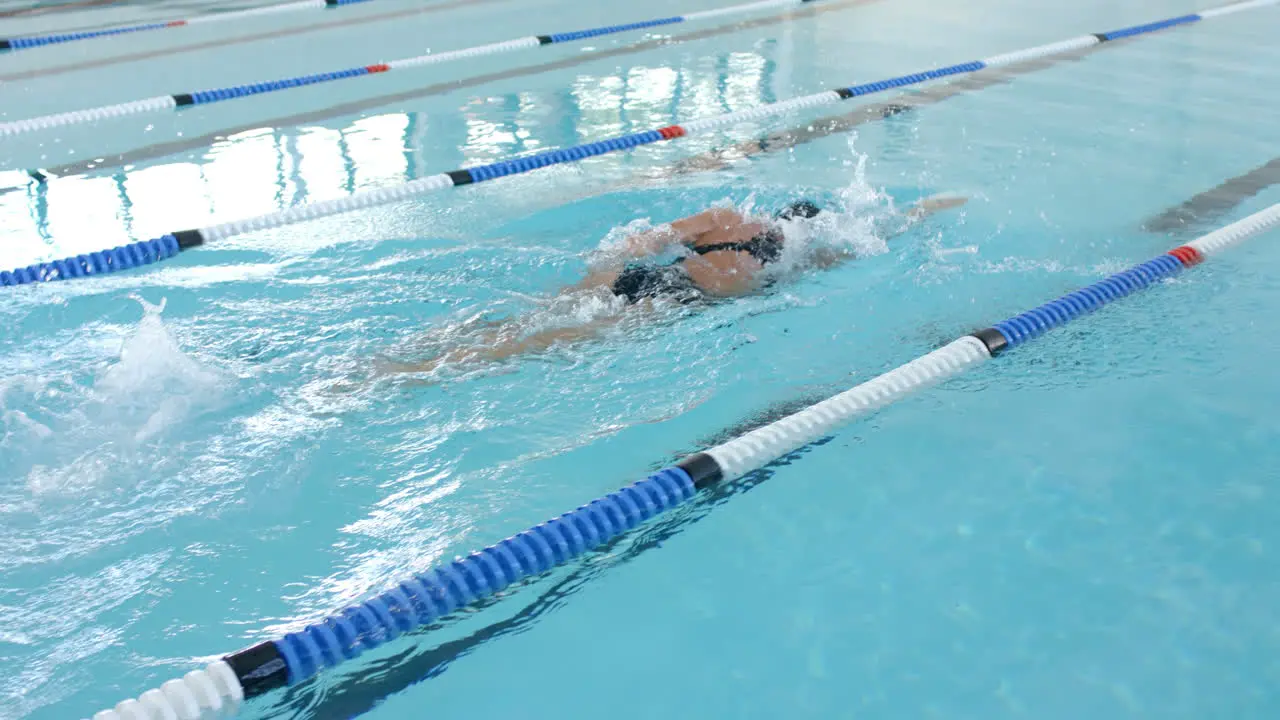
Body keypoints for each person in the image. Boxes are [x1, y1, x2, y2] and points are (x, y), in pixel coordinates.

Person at [382, 194, 966, 374]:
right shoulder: (801, 261)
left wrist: (601, 266)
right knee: (545, 340)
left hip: (652, 279)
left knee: (538, 315)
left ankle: (407, 356)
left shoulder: (727, 217)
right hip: (677, 299)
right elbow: (877, 236)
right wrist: (927, 212)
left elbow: (642, 241)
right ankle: (424, 369)